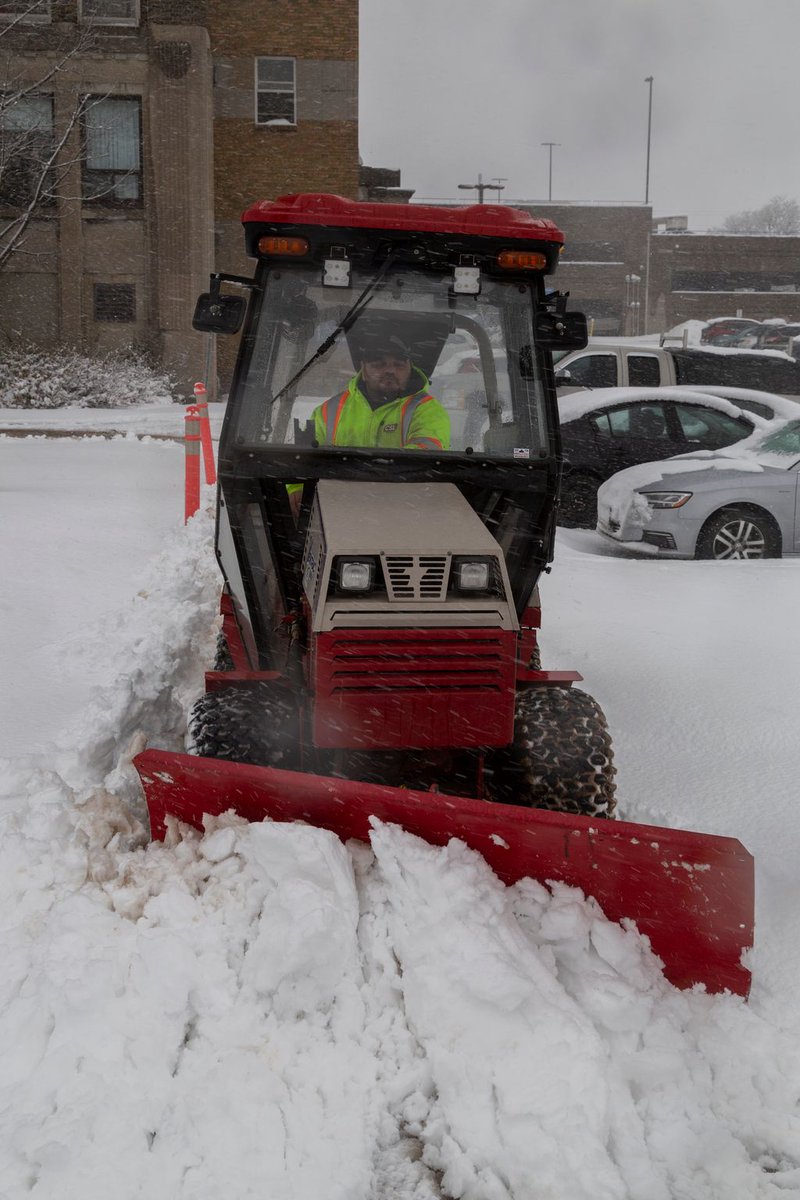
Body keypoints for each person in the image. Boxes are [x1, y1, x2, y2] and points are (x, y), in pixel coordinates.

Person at [310, 334, 450, 451]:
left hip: (406, 485)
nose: (390, 370)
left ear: (409, 369)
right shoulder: (328, 412)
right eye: (379, 364)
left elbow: (424, 460)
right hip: (334, 485)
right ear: (363, 371)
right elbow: (305, 465)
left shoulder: (427, 411)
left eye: (399, 365)